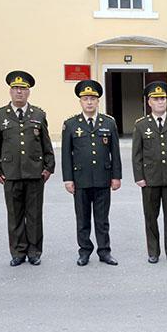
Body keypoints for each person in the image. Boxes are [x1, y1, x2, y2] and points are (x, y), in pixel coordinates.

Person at [0, 70, 54, 266]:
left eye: (23, 88)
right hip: (10, 173)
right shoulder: (0, 116)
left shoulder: (38, 115)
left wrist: (49, 166)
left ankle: (34, 251)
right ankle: (18, 252)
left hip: (35, 171)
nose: (19, 92)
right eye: (16, 88)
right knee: (15, 214)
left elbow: (45, 143)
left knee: (34, 214)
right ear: (10, 91)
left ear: (28, 92)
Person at [61, 80, 121, 266]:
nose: (89, 102)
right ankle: (84, 251)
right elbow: (66, 155)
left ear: (98, 101)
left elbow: (115, 152)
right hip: (81, 179)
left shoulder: (109, 123)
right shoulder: (71, 124)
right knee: (83, 219)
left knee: (102, 220)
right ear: (80, 101)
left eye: (92, 99)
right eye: (85, 99)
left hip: (103, 178)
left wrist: (116, 176)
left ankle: (104, 252)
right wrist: (68, 179)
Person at [131, 81, 167, 263]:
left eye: (163, 98)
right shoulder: (141, 125)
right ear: (149, 102)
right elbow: (137, 154)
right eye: (156, 99)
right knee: (151, 217)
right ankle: (153, 252)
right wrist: (139, 177)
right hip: (150, 179)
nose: (160, 102)